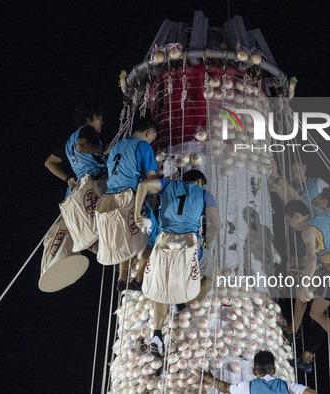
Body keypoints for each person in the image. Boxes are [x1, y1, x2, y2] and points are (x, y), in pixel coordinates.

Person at [134, 169, 221, 357]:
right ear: (199, 181)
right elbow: (216, 225)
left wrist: (136, 215)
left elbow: (143, 186)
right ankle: (183, 303)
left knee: (160, 285)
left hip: (164, 245)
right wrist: (209, 242)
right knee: (215, 275)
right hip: (189, 249)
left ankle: (157, 334)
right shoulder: (205, 194)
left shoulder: (168, 185)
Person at [284, 199, 330, 367]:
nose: (290, 225)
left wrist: (306, 283)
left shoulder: (308, 230)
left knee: (316, 312)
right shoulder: (324, 219)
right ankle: (294, 331)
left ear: (297, 216)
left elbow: (311, 259)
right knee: (307, 298)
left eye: (289, 220)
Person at [97, 118, 159, 290]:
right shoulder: (143, 146)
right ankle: (138, 279)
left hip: (111, 199)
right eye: (152, 138)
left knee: (125, 236)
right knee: (156, 234)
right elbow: (151, 179)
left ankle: (121, 279)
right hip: (131, 196)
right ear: (148, 133)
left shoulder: (116, 146)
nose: (150, 141)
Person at [201, 350, 317, 394]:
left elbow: (225, 388)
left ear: (253, 371)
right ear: (274, 370)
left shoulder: (248, 387)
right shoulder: (286, 386)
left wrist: (210, 378)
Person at [65, 102, 110, 190]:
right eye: (98, 118)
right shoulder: (88, 129)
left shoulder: (70, 141)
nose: (102, 122)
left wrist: (68, 178)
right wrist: (105, 148)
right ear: (89, 119)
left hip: (81, 184)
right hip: (95, 181)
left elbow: (49, 162)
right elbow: (81, 146)